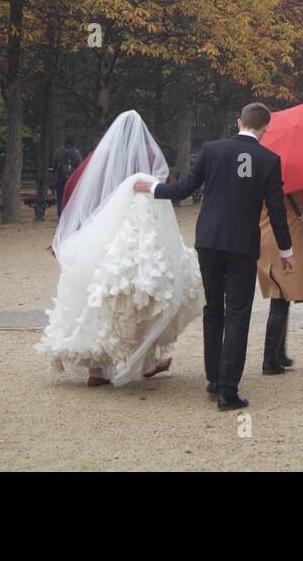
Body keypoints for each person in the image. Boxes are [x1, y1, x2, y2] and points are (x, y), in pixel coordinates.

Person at [134, 102, 293, 411]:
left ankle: (214, 377)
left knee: (214, 309)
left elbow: (182, 189)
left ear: (238, 122)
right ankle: (228, 389)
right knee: (238, 313)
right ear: (265, 129)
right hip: (241, 245)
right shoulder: (269, 160)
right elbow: (276, 211)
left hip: (208, 240)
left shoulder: (212, 149)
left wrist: (152, 188)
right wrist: (286, 251)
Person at [36, 111, 202, 387]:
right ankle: (149, 359)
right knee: (143, 295)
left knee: (99, 297)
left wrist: (71, 232)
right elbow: (166, 186)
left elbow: (75, 190)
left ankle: (97, 368)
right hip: (134, 235)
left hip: (100, 234)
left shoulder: (98, 157)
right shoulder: (149, 155)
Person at [258, 184, 303, 374]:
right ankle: (270, 359)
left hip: (264, 233)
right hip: (288, 236)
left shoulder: (263, 167)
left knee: (280, 294)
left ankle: (279, 353)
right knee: (280, 298)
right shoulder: (302, 175)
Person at [52, 136, 82, 215]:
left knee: (60, 198)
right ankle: (70, 215)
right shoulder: (77, 152)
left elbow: (54, 165)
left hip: (60, 179)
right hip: (72, 180)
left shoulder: (58, 151)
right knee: (72, 198)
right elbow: (80, 166)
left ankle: (60, 215)